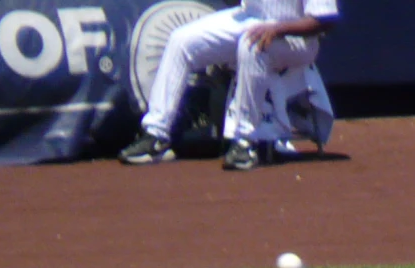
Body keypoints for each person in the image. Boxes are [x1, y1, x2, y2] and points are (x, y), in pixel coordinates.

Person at [119, 0, 337, 172]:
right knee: (180, 41)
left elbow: (324, 20)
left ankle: (246, 141)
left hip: (297, 39)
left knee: (252, 46)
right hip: (252, 20)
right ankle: (157, 134)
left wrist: (278, 29)